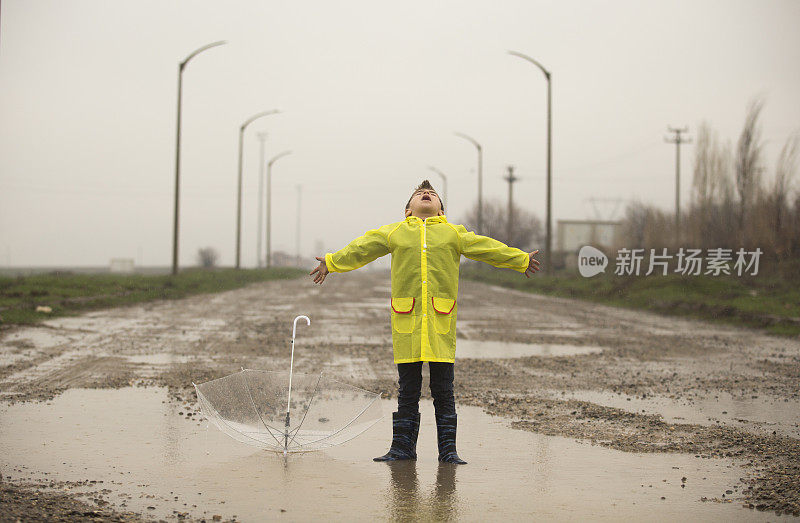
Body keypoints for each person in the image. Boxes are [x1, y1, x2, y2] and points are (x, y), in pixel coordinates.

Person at [309, 180, 541, 464]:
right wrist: (331, 262)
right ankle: (401, 448)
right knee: (408, 388)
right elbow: (362, 248)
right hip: (407, 322)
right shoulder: (394, 232)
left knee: (444, 389)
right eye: (420, 194)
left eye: (431, 195)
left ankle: (448, 451)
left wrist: (519, 259)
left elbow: (486, 247)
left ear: (441, 210)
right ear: (408, 210)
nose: (426, 195)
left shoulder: (453, 233)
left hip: (440, 322)